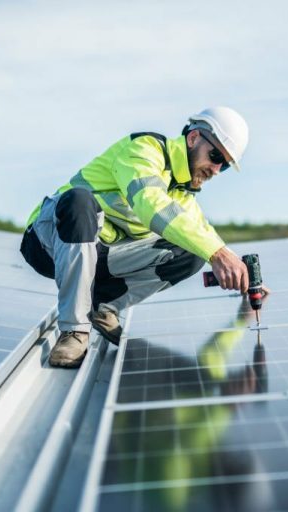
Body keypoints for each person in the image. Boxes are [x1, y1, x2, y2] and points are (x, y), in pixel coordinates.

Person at [20, 106, 251, 368]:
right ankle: (75, 330)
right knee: (79, 200)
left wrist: (244, 275)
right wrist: (217, 254)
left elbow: (204, 233)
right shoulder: (145, 150)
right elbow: (150, 203)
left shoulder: (183, 194)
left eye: (226, 166)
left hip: (96, 256)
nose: (217, 170)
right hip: (47, 242)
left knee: (193, 251)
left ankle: (103, 304)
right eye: (215, 155)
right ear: (193, 138)